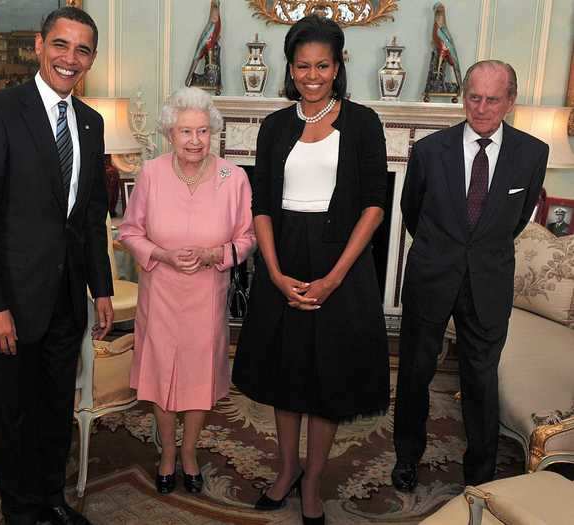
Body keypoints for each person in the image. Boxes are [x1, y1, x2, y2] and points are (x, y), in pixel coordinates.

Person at [232, 15, 390, 525]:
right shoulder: (275, 126)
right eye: (303, 65)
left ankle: (314, 481)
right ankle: (286, 470)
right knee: (285, 374)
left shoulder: (364, 122)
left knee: (327, 380)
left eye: (323, 64)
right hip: (285, 259)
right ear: (291, 67)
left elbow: (374, 206)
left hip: (340, 262)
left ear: (339, 64)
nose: (312, 75)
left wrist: (336, 277)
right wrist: (274, 274)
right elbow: (261, 206)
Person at [0, 7, 111, 525]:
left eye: (83, 50)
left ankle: (50, 499)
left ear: (92, 58)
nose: (71, 59)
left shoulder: (91, 123)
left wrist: (102, 288)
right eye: (61, 45)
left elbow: (90, 216)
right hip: (11, 302)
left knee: (52, 412)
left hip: (67, 301)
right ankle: (20, 511)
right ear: (39, 45)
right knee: (12, 413)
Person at [392, 60, 548, 492]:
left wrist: (477, 251)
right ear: (464, 97)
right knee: (415, 372)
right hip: (431, 276)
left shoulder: (533, 153)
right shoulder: (429, 150)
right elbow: (412, 213)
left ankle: (480, 472)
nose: (480, 108)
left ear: (510, 101)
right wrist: (444, 249)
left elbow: (516, 220)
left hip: (489, 281)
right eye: (473, 97)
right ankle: (407, 456)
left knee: (481, 379)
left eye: (492, 99)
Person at [119, 86, 255, 496]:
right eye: (185, 132)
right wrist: (161, 254)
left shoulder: (235, 177)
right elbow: (129, 231)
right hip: (160, 290)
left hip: (207, 294)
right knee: (161, 372)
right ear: (169, 134)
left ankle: (190, 452)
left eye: (202, 132)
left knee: (198, 375)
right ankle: (165, 454)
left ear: (212, 132)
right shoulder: (151, 173)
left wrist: (217, 254)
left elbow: (247, 238)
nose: (195, 141)